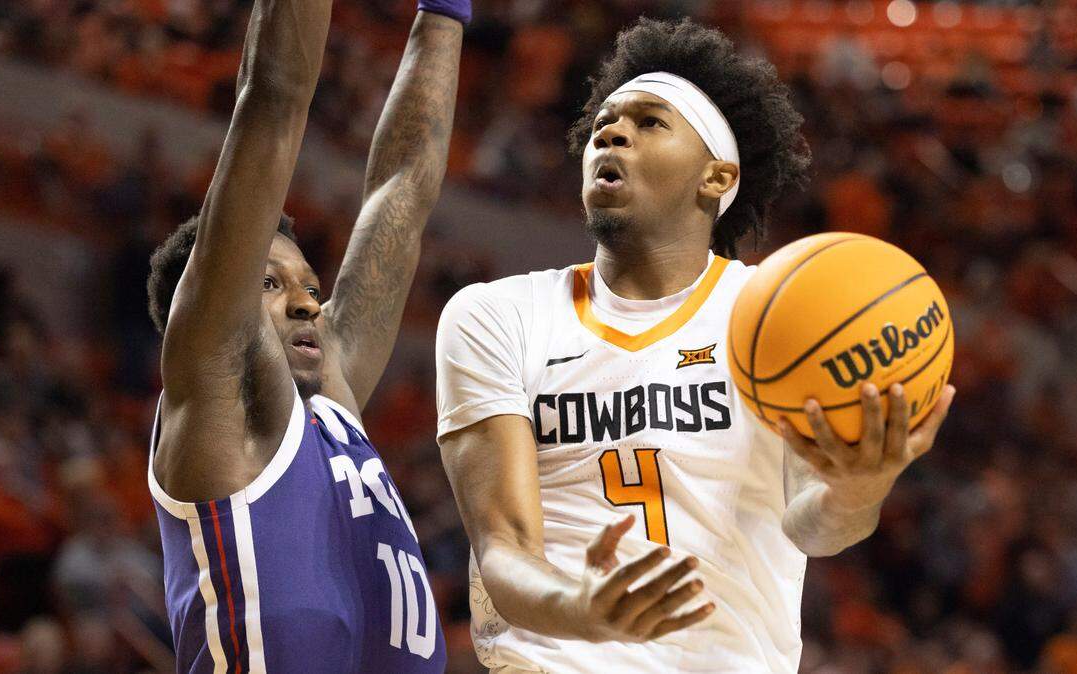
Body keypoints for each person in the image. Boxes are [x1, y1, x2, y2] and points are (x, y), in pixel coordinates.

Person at [435, 18, 956, 673]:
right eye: (604, 122)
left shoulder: (778, 317)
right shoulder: (495, 315)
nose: (610, 131)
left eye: (650, 122)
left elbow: (815, 529)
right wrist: (582, 609)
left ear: (717, 175)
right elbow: (503, 548)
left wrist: (862, 486)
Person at [143, 0, 467, 670]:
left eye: (311, 287)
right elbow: (273, 101)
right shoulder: (216, 399)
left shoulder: (333, 404)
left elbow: (403, 192)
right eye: (268, 282)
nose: (306, 305)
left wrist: (445, 13)